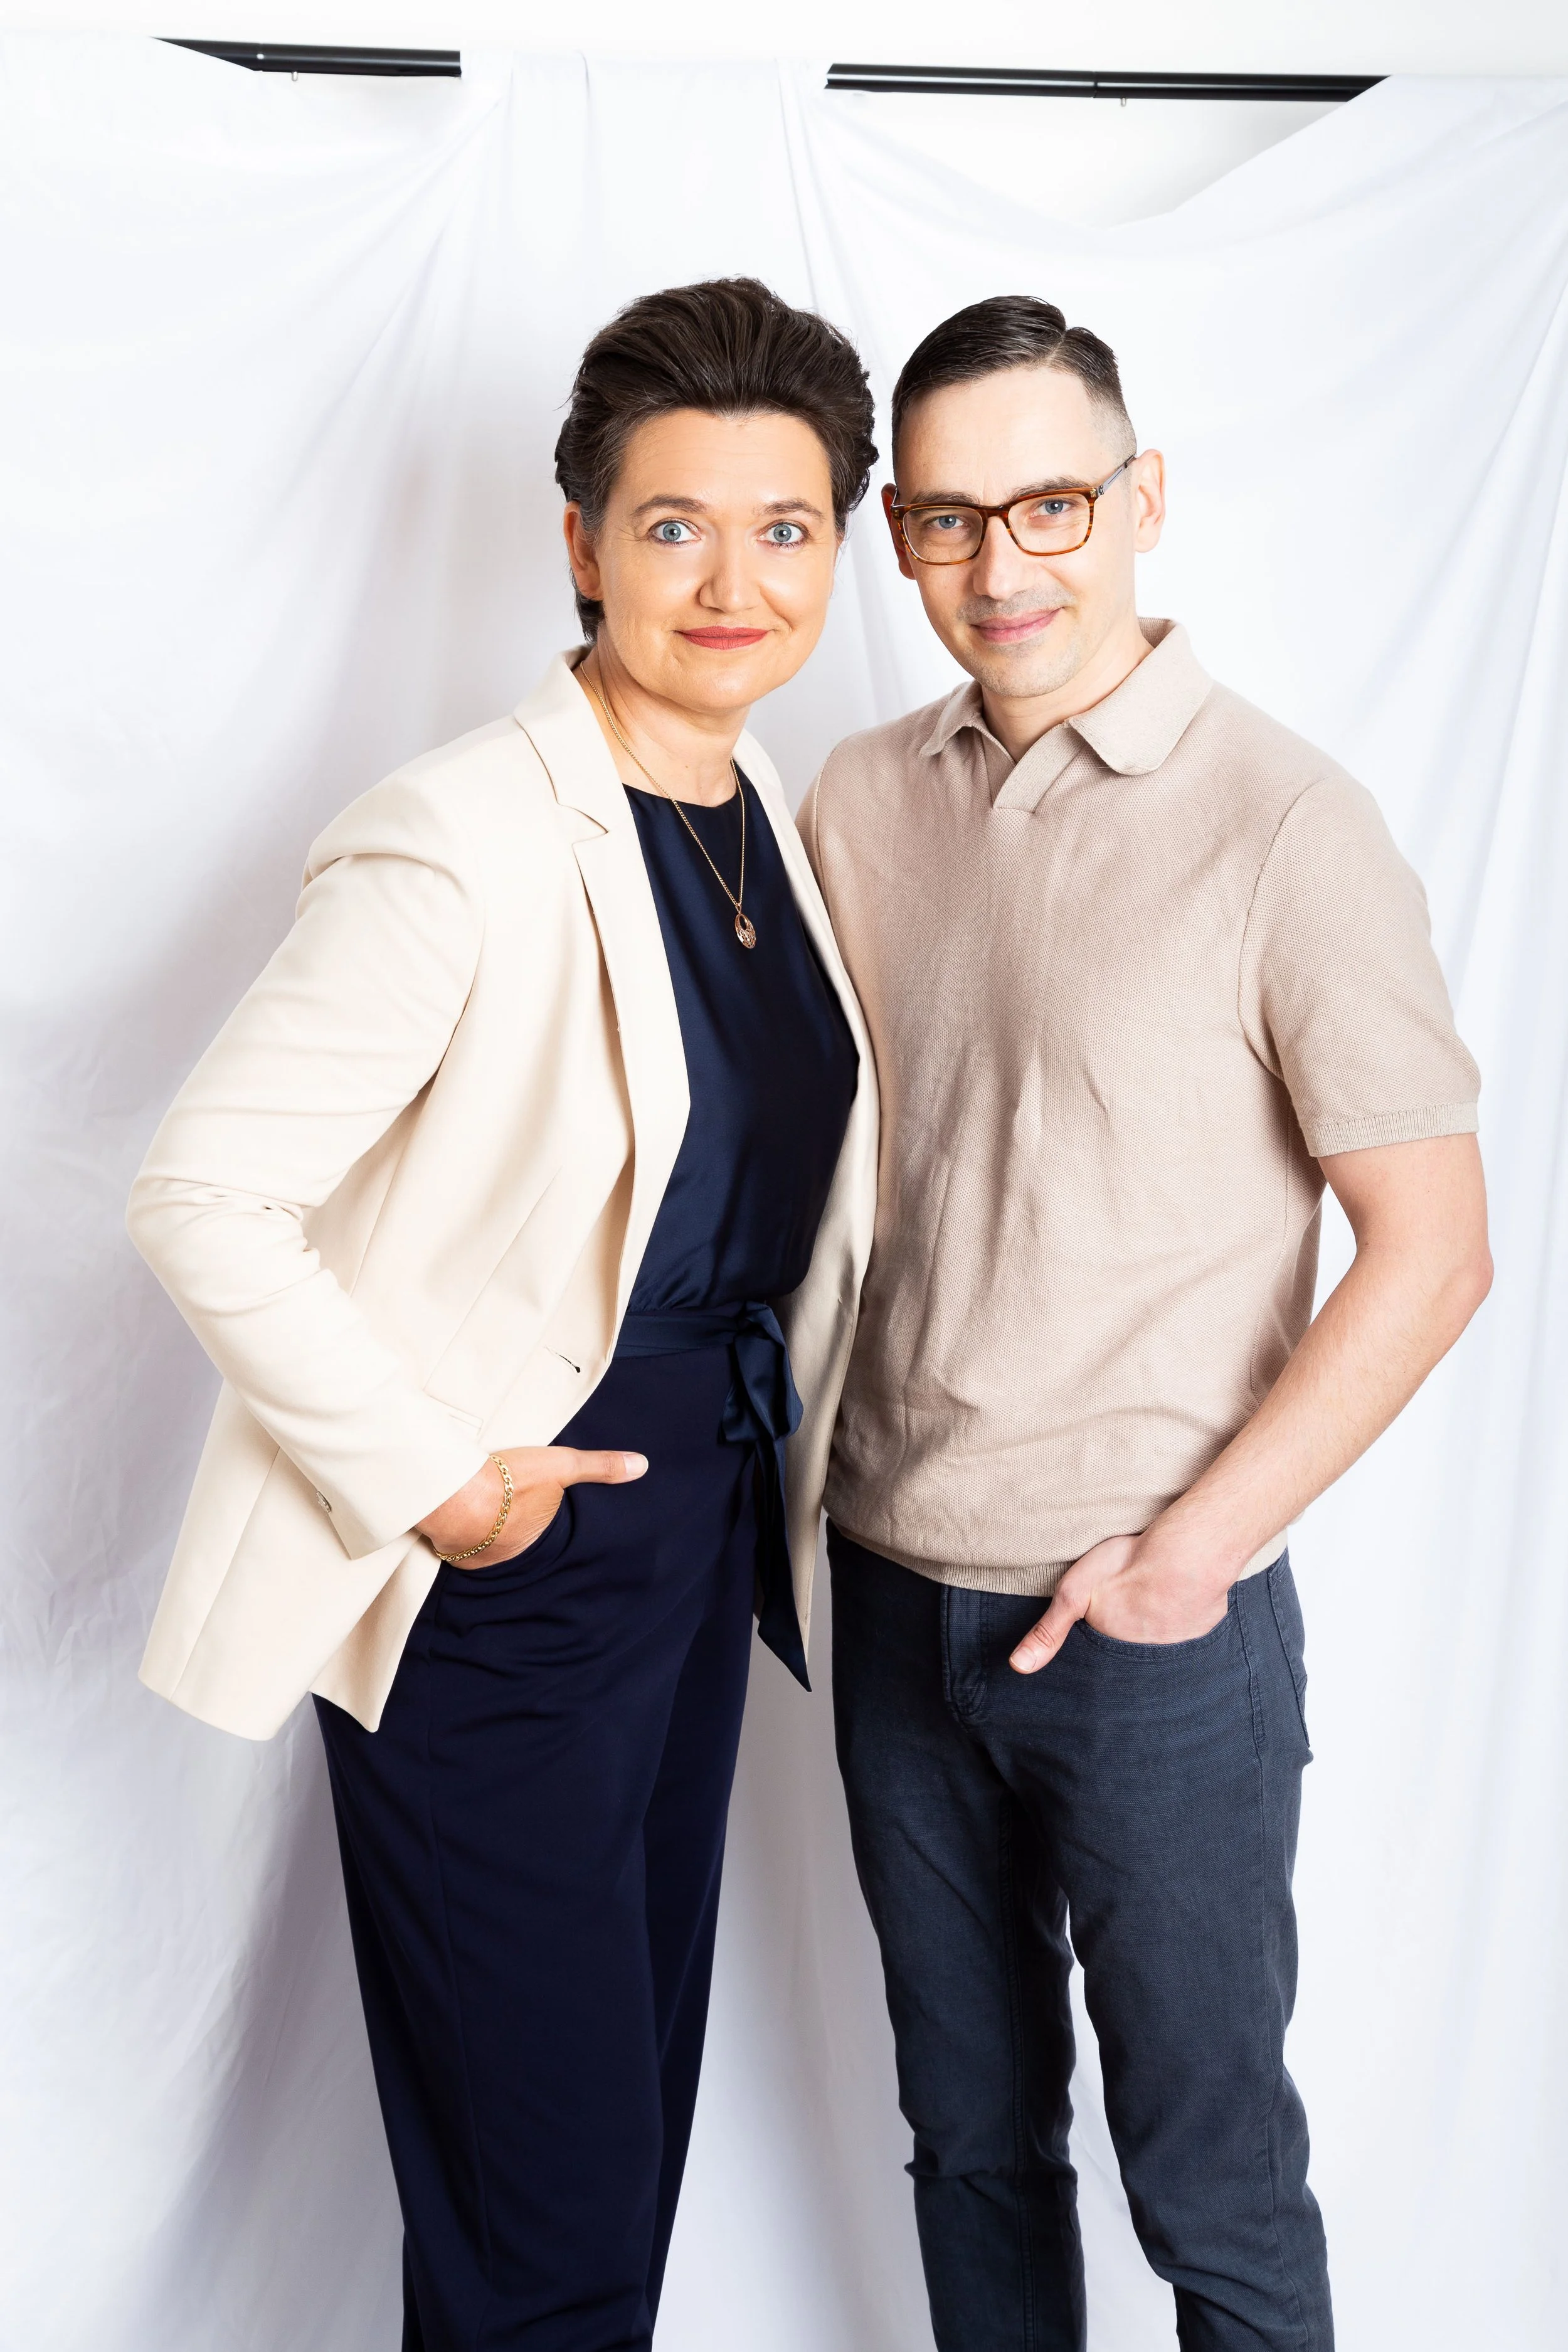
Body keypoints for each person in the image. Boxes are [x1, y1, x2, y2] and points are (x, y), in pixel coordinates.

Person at [126, 276, 879, 2352]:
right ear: (580, 543)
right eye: (672, 525)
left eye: (785, 528)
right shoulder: (458, 834)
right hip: (505, 1568)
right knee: (538, 2203)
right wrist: (437, 1481)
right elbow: (202, 1188)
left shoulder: (760, 817)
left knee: (612, 2167)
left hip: (697, 1540)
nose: (731, 583)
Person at [801, 296, 1490, 2352]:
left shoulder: (1284, 822)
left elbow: (1433, 1247)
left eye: (1049, 504)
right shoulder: (857, 798)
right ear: (898, 534)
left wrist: (1189, 1554)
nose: (998, 564)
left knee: (1212, 2186)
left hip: (1149, 1632)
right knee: (971, 2146)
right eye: (944, 518)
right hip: (892, 1591)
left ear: (1141, 499)